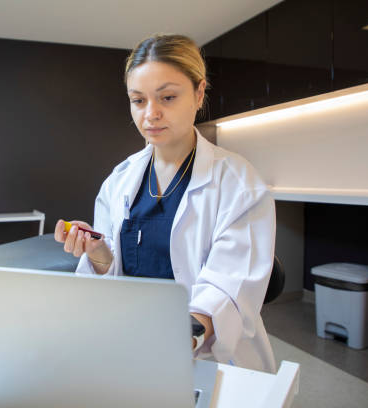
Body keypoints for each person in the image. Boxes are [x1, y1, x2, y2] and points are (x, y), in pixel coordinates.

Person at [54, 33, 276, 373]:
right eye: (138, 100)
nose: (151, 114)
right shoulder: (120, 180)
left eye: (167, 97)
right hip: (131, 341)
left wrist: (178, 339)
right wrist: (98, 253)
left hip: (205, 355)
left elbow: (227, 289)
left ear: (199, 93)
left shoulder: (238, 183)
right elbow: (114, 268)